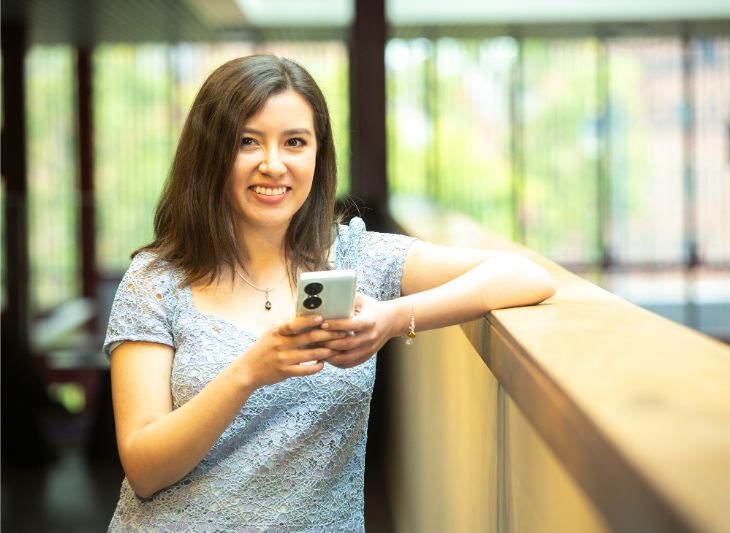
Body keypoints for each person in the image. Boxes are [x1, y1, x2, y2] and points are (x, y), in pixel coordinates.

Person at [104, 54, 555, 532]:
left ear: (319, 154)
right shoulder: (155, 279)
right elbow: (144, 469)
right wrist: (249, 373)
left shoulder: (358, 258)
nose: (273, 165)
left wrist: (392, 318)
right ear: (209, 154)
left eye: (294, 142)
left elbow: (525, 275)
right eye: (247, 142)